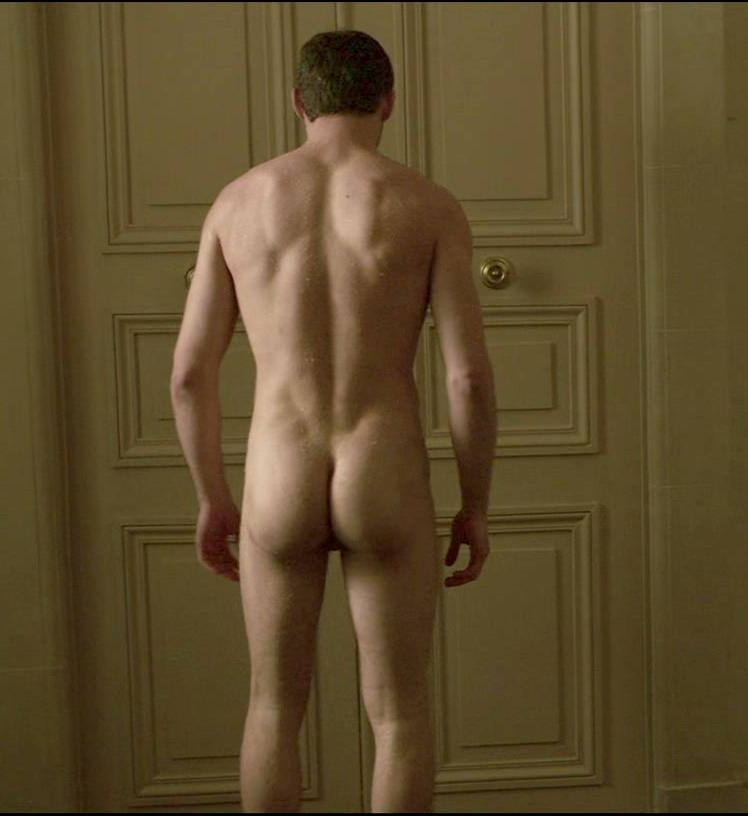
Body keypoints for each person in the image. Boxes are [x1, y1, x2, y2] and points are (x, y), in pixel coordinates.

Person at [168, 29, 498, 813]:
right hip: (383, 465)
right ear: (388, 101)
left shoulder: (237, 204)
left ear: (298, 102)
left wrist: (212, 497)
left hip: (280, 468)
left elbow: (188, 376)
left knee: (272, 710)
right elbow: (467, 377)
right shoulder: (426, 206)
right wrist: (475, 505)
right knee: (399, 716)